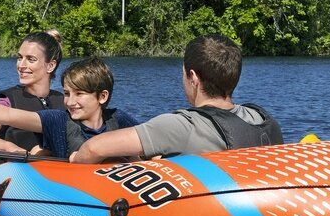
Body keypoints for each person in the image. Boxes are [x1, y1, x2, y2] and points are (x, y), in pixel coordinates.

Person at [69, 34, 282, 163]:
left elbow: (94, 148)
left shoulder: (183, 126)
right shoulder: (261, 118)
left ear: (193, 77)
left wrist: (75, 159)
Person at [0, 57, 139, 159]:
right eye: (67, 93)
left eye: (79, 94)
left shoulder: (119, 119)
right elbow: (7, 114)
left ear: (102, 96)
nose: (69, 101)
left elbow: (152, 143)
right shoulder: (58, 121)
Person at [0, 30, 65, 152]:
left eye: (30, 59)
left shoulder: (65, 101)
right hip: (19, 165)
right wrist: (10, 147)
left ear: (50, 66)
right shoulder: (8, 100)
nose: (21, 65)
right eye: (19, 58)